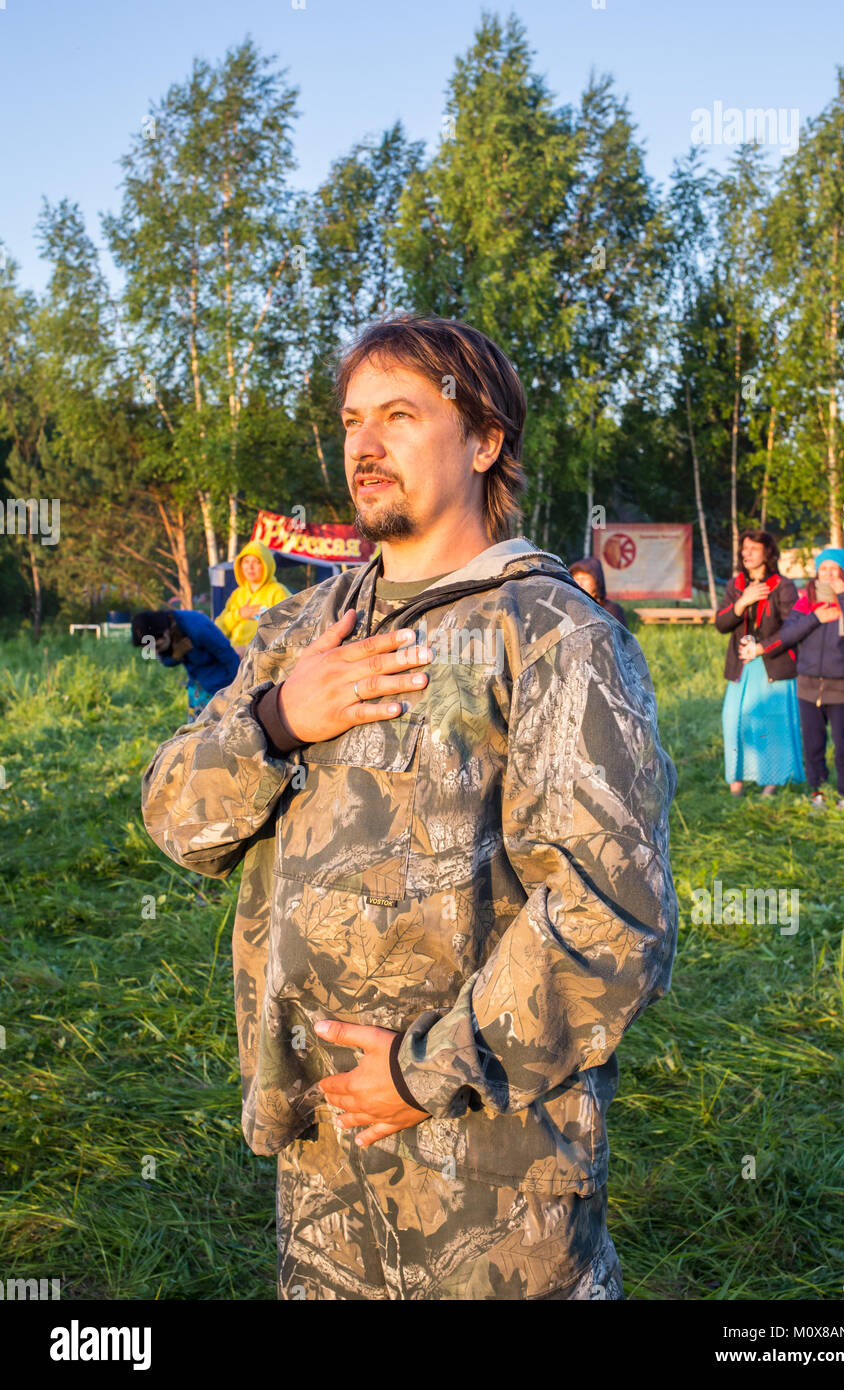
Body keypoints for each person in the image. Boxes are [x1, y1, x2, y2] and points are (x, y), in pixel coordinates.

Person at [140, 313, 678, 1301]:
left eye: (399, 414)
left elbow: (615, 917)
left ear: (483, 442)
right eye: (351, 420)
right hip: (322, 1163)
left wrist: (427, 1069)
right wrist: (276, 717)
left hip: (490, 1171)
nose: (364, 444)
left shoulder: (551, 635)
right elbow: (176, 818)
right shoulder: (306, 627)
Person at [742, 547, 844, 810]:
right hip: (809, 687)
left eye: (834, 569)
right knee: (813, 746)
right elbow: (789, 633)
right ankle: (817, 794)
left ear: (843, 572)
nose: (828, 574)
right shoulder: (805, 600)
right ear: (817, 572)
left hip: (843, 688)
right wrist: (816, 617)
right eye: (824, 569)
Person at [714, 530, 803, 797]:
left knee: (770, 725)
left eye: (753, 548)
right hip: (741, 668)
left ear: (768, 553)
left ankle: (770, 784)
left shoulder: (783, 586)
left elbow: (794, 627)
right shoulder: (735, 584)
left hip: (771, 666)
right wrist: (742, 602)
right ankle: (736, 782)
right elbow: (721, 624)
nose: (746, 553)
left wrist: (761, 647)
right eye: (744, 549)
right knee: (733, 721)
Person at [131, 608, 240, 720]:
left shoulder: (197, 627)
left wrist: (238, 689)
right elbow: (166, 661)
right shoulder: (162, 632)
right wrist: (176, 655)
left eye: (157, 647)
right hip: (198, 685)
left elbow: (229, 656)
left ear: (165, 632)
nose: (156, 652)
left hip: (223, 685)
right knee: (197, 730)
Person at [215, 540, 291, 656]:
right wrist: (239, 614)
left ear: (266, 565)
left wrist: (250, 650)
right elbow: (218, 629)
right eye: (246, 561)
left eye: (256, 562)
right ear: (240, 565)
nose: (250, 567)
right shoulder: (237, 595)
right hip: (235, 660)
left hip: (265, 660)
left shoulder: (277, 592)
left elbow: (289, 630)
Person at [569, 556, 628, 627]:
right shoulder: (569, 609)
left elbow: (618, 637)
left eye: (583, 579)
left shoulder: (611, 611)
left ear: (596, 581)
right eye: (576, 579)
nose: (579, 583)